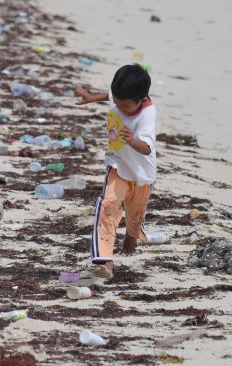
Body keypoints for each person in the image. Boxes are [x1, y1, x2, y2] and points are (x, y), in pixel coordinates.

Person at [75, 64, 157, 279]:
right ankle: (104, 261)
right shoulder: (120, 96)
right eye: (117, 104)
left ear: (142, 99)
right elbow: (110, 96)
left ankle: (132, 235)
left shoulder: (148, 114)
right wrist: (91, 97)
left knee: (135, 215)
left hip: (141, 175)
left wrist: (132, 141)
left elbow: (147, 148)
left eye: (125, 107)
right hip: (117, 168)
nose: (119, 109)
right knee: (107, 206)